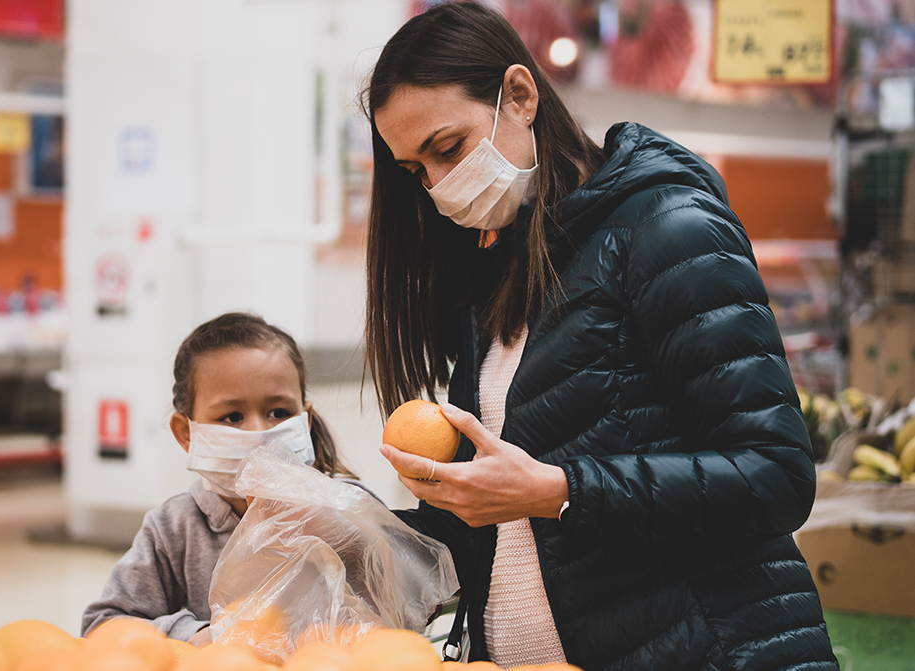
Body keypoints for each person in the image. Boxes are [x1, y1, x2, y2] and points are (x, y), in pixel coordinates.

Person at [366, 4, 838, 671]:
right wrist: (349, 529)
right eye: (417, 170)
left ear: (520, 97)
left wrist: (561, 491)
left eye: (447, 148)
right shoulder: (496, 277)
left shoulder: (667, 228)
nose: (439, 186)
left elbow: (776, 476)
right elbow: (500, 518)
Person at [81, 312, 356, 642]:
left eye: (278, 413)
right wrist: (194, 636)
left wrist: (337, 527)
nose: (259, 432)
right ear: (186, 433)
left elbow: (407, 596)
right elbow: (103, 625)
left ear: (305, 420)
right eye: (232, 416)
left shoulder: (346, 509)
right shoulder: (173, 529)